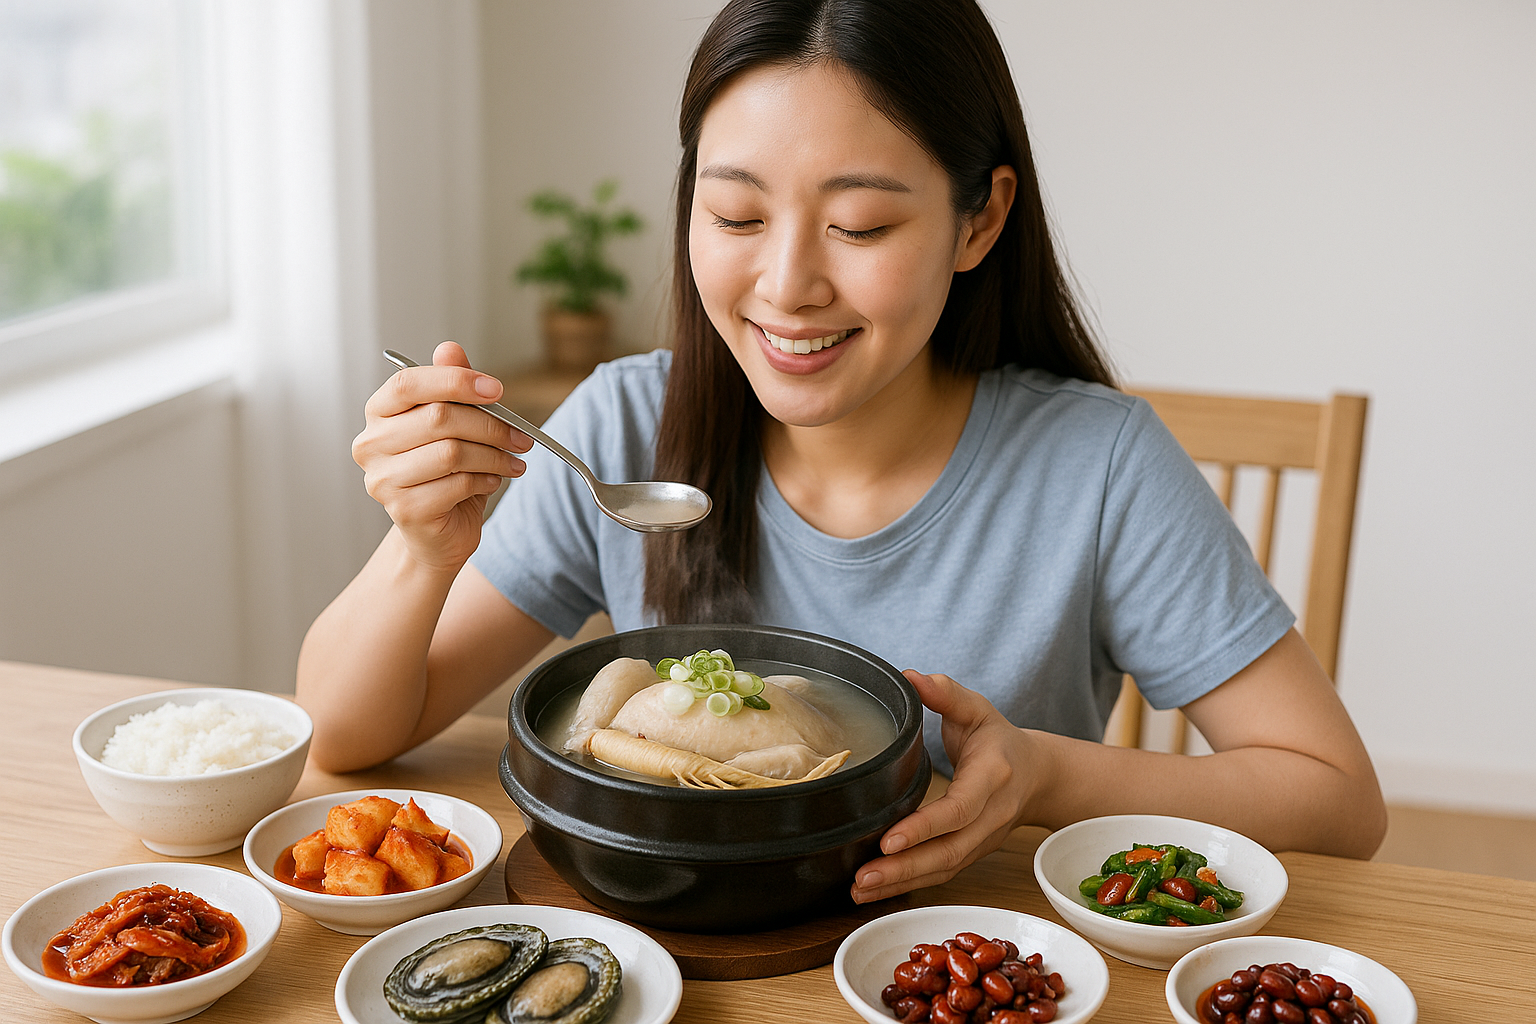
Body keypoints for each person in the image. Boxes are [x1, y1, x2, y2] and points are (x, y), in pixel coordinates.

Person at [298, 0, 1386, 904]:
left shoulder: (1097, 468)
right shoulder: (626, 425)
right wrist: (422, 550)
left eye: (859, 226)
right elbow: (343, 734)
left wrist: (1045, 774)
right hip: (675, 947)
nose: (786, 286)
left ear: (978, 221)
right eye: (736, 215)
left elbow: (1339, 801)